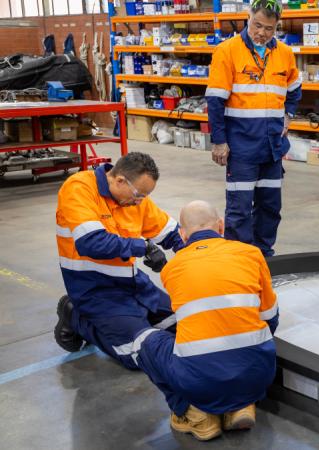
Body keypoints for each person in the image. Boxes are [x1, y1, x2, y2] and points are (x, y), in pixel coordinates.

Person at [135, 200, 280, 441]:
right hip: (260, 375)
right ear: (221, 226)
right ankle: (241, 406)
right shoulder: (252, 254)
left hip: (200, 383)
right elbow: (270, 319)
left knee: (148, 341)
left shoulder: (172, 269)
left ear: (182, 235)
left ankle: (194, 413)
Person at [54, 152, 183, 370]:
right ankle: (74, 314)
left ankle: (134, 321)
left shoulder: (134, 198)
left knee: (185, 327)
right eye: (138, 195)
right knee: (137, 354)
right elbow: (91, 242)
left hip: (132, 282)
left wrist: (202, 248)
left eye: (144, 196)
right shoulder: (79, 188)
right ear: (120, 180)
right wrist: (143, 247)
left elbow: (171, 232)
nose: (140, 201)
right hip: (94, 289)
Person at [206, 0, 301, 258]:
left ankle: (263, 257)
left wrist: (288, 117)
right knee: (239, 209)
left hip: (272, 147)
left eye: (269, 29)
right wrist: (219, 141)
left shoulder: (284, 53)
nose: (262, 33)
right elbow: (215, 101)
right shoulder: (227, 51)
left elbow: (294, 90)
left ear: (277, 27)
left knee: (270, 206)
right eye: (257, 25)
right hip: (241, 146)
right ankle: (239, 260)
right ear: (248, 17)